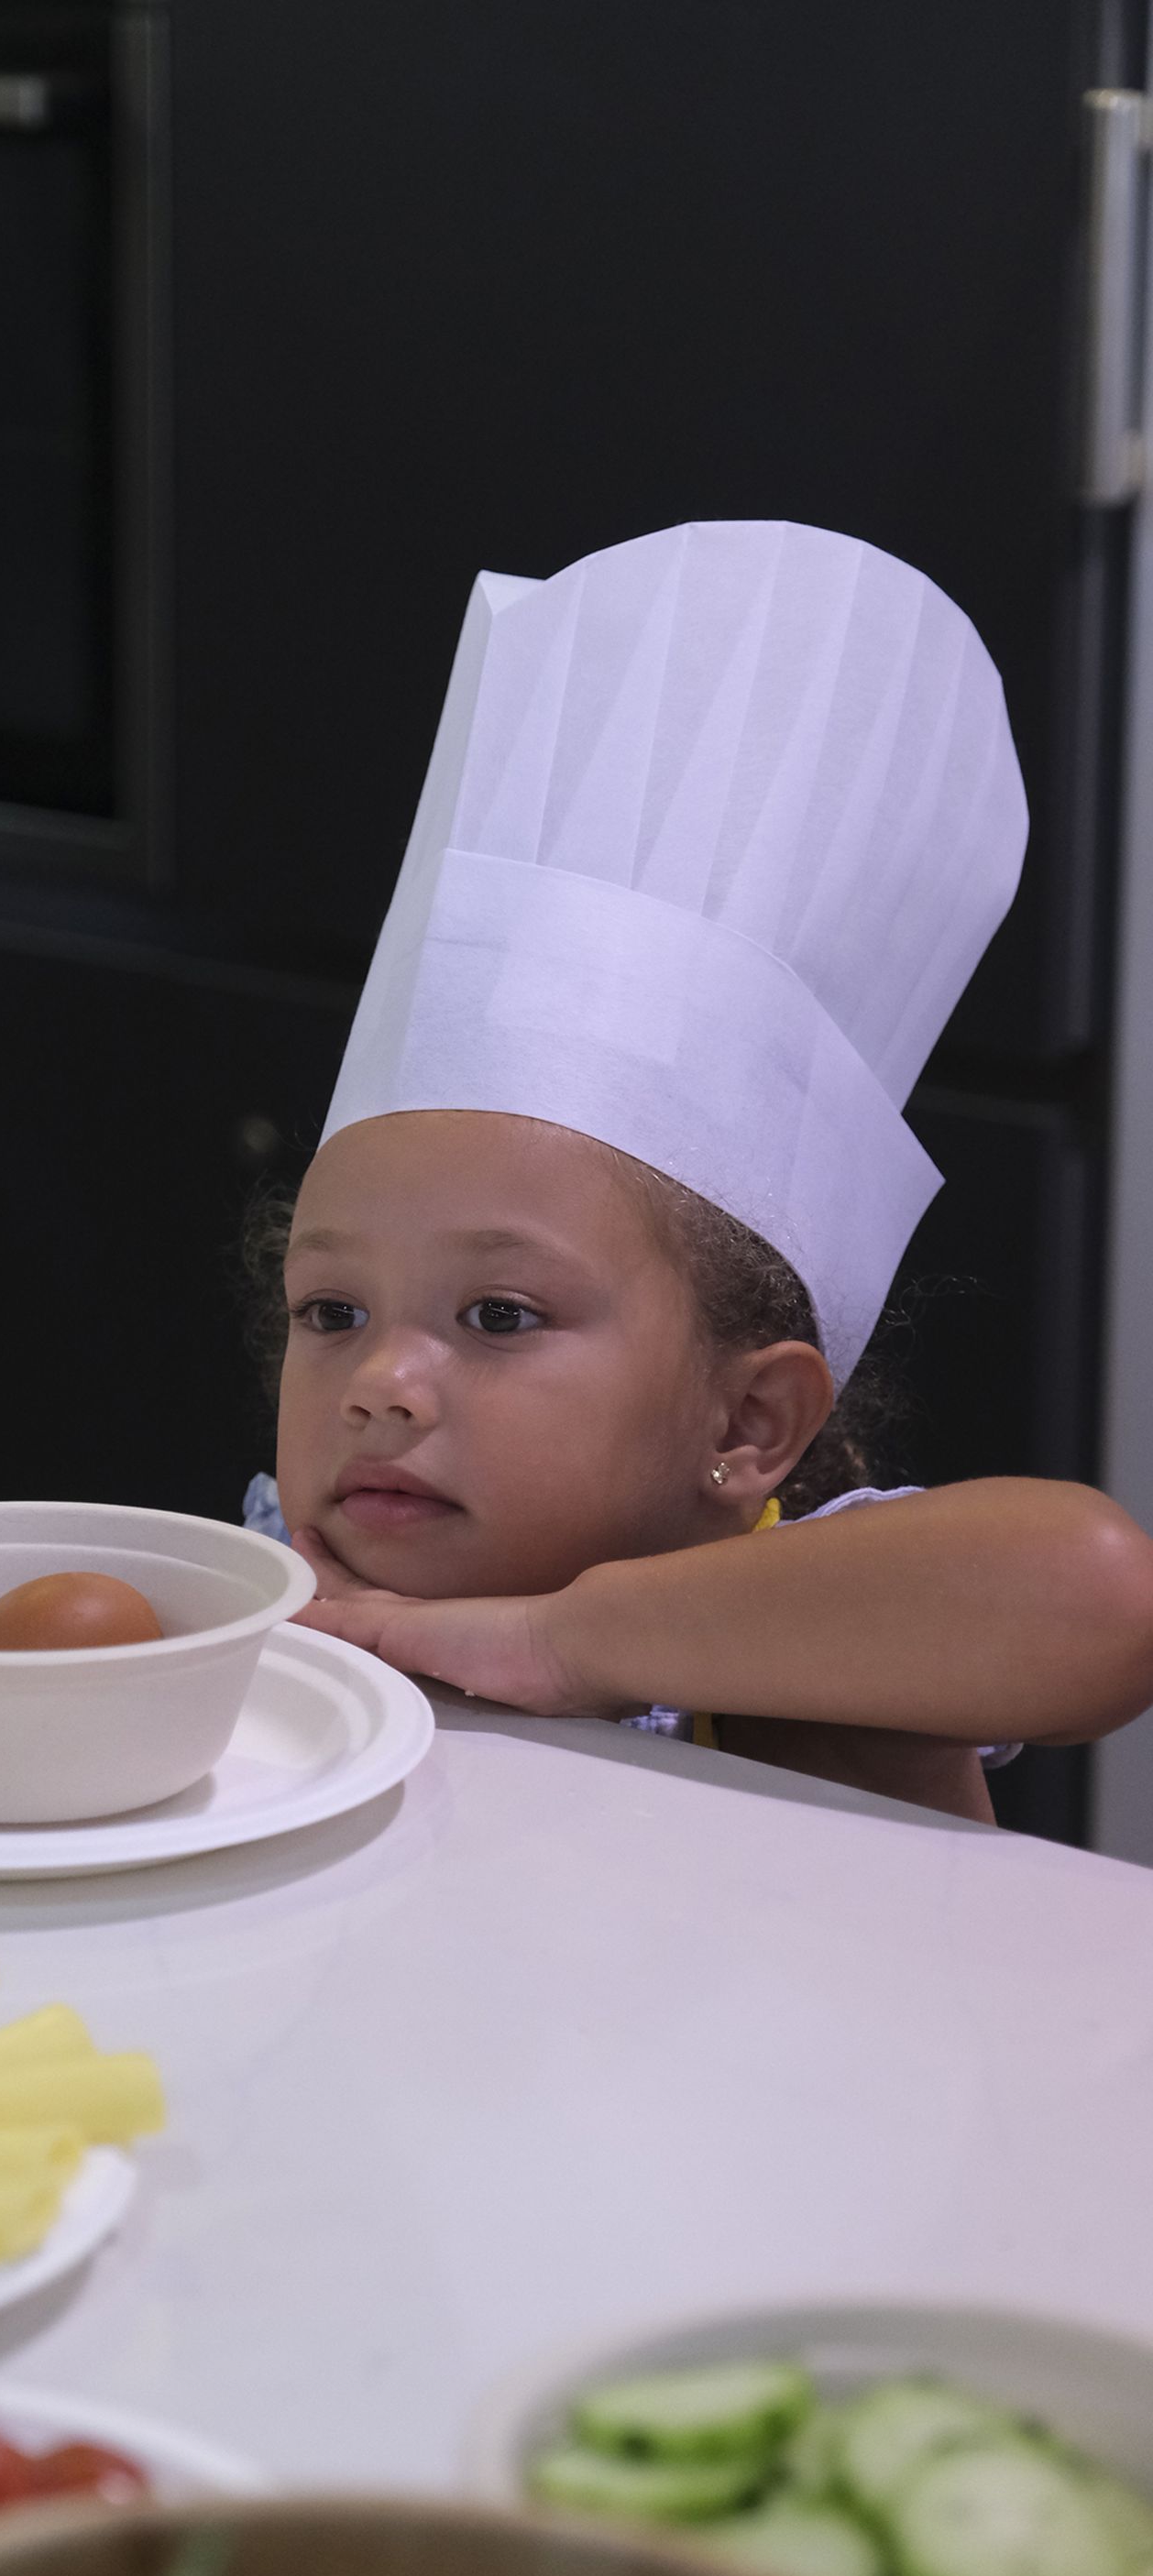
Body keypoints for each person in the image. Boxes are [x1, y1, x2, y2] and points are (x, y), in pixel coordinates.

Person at [245, 521, 1153, 1823]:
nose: (380, 1385)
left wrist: (563, 1640)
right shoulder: (296, 1569)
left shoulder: (829, 1653)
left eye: (498, 1316)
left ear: (747, 1428)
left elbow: (1102, 1595)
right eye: (333, 1312)